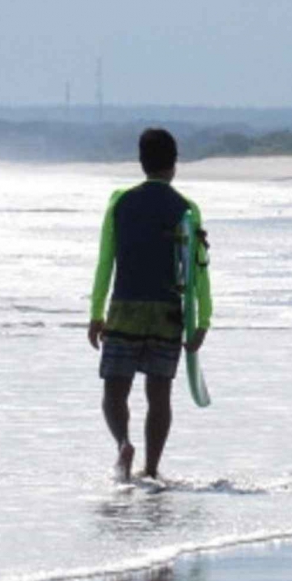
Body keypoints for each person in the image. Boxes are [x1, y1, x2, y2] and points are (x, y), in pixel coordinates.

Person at [88, 128, 211, 482]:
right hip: (167, 312)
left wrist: (96, 313)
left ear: (141, 162)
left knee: (114, 389)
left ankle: (123, 444)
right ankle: (152, 469)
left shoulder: (119, 202)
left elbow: (105, 262)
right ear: (174, 164)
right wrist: (203, 319)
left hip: (125, 307)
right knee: (159, 394)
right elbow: (199, 269)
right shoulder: (187, 209)